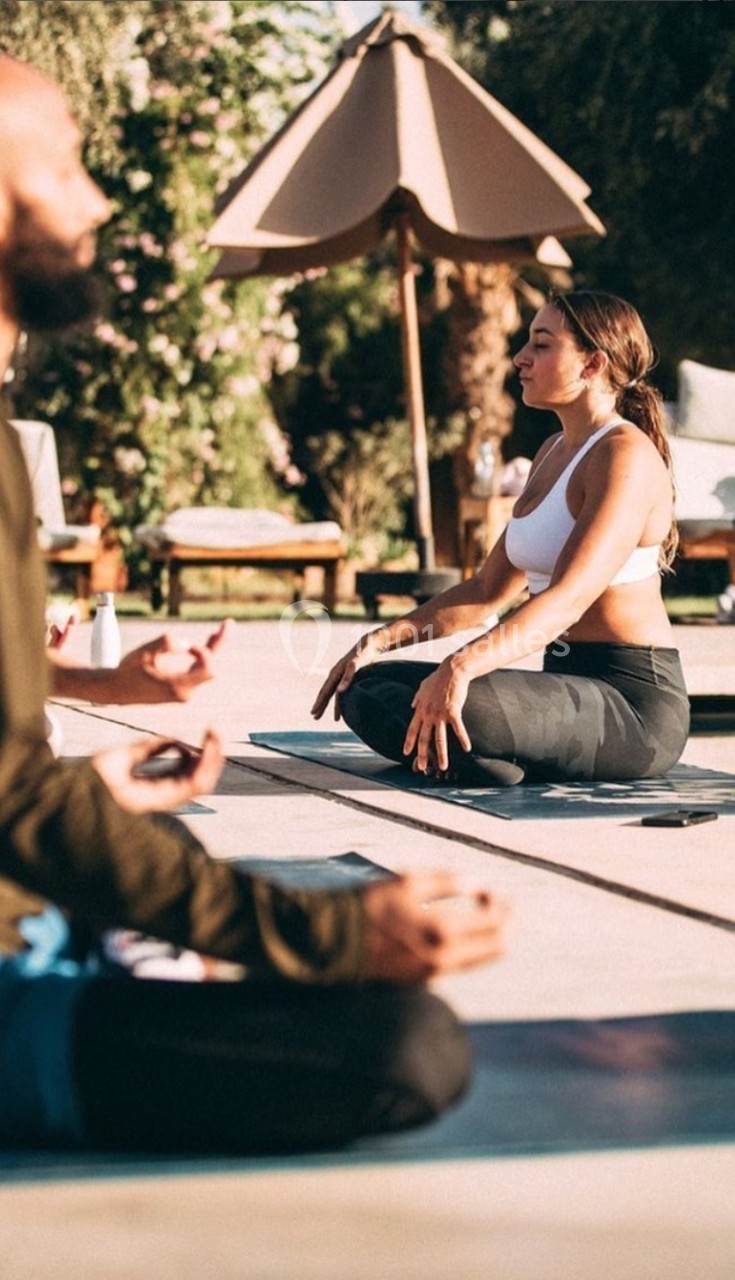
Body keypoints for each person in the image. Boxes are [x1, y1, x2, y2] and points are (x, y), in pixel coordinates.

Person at [0, 53, 507, 1154]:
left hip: (37, 913)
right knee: (406, 1048)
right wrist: (324, 930)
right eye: (66, 167)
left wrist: (100, 715)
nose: (95, 201)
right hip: (14, 974)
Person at [313, 291, 690, 787]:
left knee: (469, 709)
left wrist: (462, 664)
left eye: (542, 344)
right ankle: (497, 758)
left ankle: (493, 753)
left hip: (632, 705)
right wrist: (378, 640)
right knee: (366, 687)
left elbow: (567, 601)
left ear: (592, 363)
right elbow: (484, 592)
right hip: (565, 683)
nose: (521, 358)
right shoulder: (553, 451)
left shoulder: (625, 457)